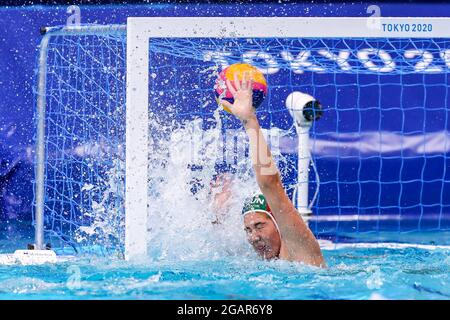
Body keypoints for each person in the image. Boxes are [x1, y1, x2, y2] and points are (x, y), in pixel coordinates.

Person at [218, 71, 326, 267]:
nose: (254, 237)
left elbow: (270, 184)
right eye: (248, 230)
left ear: (279, 222)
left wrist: (249, 120)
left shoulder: (299, 250)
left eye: (259, 226)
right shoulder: (263, 263)